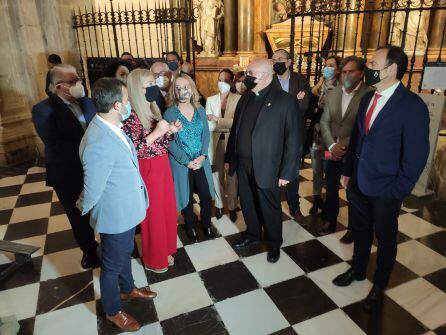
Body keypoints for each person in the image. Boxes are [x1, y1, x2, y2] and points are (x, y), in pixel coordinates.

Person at [333, 45, 429, 312]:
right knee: (360, 231)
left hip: (386, 188)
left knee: (385, 238)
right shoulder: (367, 98)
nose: (369, 68)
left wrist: (398, 190)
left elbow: (417, 156)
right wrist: (347, 171)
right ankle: (358, 270)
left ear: (392, 69)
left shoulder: (412, 106)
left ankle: (379, 285)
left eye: (374, 64)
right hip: (358, 184)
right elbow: (357, 141)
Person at [77, 78, 156, 332]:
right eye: (126, 100)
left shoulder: (111, 125)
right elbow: (93, 187)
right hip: (116, 214)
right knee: (111, 265)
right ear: (115, 105)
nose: (129, 103)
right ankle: (112, 311)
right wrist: (83, 205)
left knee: (124, 254)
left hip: (127, 208)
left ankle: (128, 289)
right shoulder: (98, 140)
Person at [226, 59, 301, 263]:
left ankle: (274, 242)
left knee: (269, 206)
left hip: (268, 166)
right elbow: (236, 130)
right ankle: (252, 235)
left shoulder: (285, 101)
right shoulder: (246, 98)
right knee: (248, 202)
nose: (245, 75)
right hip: (243, 164)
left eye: (250, 72)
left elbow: (293, 140)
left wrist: (287, 172)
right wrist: (230, 157)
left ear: (265, 75)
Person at [32, 64, 99, 269]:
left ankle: (111, 244)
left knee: (101, 207)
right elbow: (55, 143)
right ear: (58, 86)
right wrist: (88, 156)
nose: (78, 84)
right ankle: (89, 250)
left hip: (95, 167)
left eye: (78, 79)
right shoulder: (44, 109)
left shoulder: (87, 102)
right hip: (67, 170)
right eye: (72, 81)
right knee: (77, 214)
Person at [122, 69, 182, 273]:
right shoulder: (129, 116)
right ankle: (154, 258)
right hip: (147, 167)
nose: (154, 87)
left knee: (166, 210)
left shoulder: (152, 109)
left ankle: (165, 249)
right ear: (137, 88)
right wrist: (157, 132)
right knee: (154, 215)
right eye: (149, 84)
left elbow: (161, 144)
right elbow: (133, 150)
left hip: (162, 164)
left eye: (153, 82)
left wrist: (169, 132)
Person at [318, 56, 372, 241]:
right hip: (332, 151)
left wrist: (343, 145)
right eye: (344, 71)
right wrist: (332, 146)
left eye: (352, 71)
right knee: (331, 188)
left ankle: (353, 228)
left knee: (353, 193)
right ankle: (330, 220)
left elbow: (364, 126)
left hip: (354, 153)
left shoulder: (369, 95)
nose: (347, 75)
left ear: (361, 73)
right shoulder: (333, 93)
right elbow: (324, 121)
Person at [164, 74, 215, 242]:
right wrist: (186, 161)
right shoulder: (170, 113)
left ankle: (206, 222)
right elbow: (169, 142)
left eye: (185, 87)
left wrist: (202, 156)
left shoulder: (200, 109)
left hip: (200, 161)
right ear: (174, 92)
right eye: (177, 88)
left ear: (192, 90)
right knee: (185, 198)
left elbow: (206, 135)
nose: (182, 91)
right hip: (182, 164)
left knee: (206, 195)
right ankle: (190, 225)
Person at [271, 48, 310, 222]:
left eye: (280, 59)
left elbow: (305, 106)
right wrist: (294, 99)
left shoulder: (300, 79)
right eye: (274, 59)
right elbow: (270, 109)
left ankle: (295, 207)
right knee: (274, 173)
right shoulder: (270, 81)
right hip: (274, 136)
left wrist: (287, 104)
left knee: (292, 172)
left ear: (289, 61)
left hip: (295, 135)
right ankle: (275, 208)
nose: (277, 62)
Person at [206, 69, 241, 222]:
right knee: (216, 173)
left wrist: (217, 120)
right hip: (215, 142)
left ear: (232, 81)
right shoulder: (210, 99)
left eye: (226, 80)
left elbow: (238, 124)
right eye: (220, 79)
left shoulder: (238, 99)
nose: (223, 83)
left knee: (232, 175)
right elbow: (209, 125)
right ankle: (219, 204)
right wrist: (225, 124)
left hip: (232, 142)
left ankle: (233, 206)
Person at [309, 55, 341, 215]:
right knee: (316, 169)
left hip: (331, 137)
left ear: (338, 69)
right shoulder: (320, 86)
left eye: (331, 65)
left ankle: (329, 202)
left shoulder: (342, 87)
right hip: (317, 135)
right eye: (326, 65)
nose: (327, 68)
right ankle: (316, 200)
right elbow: (312, 99)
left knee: (329, 170)